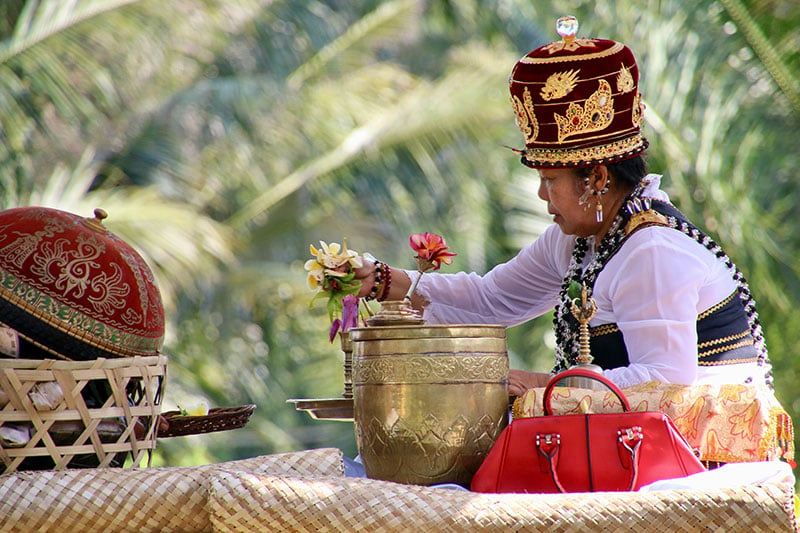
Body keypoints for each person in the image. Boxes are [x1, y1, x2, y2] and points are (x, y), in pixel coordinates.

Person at [352, 16, 773, 397]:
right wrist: (383, 281)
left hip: (703, 458)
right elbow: (490, 299)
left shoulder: (652, 251)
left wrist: (542, 384)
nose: (541, 195)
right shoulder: (578, 241)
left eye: (550, 180)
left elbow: (665, 377)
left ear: (598, 179)